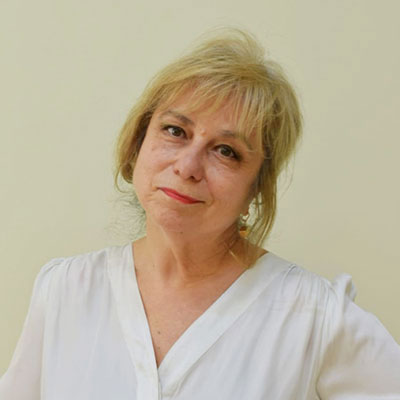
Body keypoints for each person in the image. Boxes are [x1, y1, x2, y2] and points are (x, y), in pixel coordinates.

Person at [1, 28, 399, 400]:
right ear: (139, 141)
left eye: (226, 151)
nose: (188, 166)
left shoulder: (314, 317)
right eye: (175, 131)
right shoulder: (65, 290)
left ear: (256, 187)